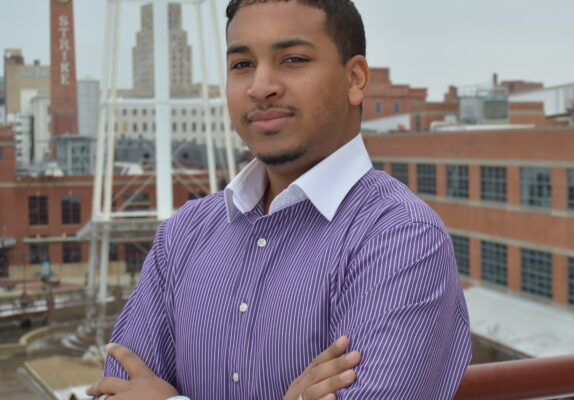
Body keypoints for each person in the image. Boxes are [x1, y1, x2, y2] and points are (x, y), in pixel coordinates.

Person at [86, 0, 472, 399]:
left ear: (355, 79)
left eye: (292, 59)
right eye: (242, 65)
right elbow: (118, 389)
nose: (260, 86)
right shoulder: (184, 233)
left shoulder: (401, 238)